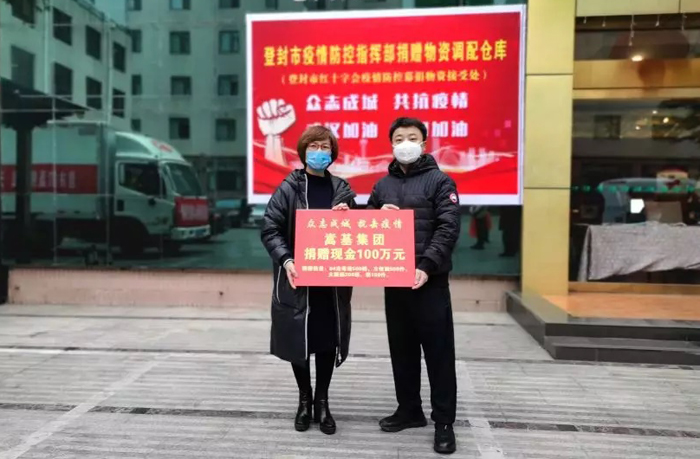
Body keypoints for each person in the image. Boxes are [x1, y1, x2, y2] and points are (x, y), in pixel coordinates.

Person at [367, 117, 461, 455]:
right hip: (394, 280)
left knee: (438, 354)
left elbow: (448, 227)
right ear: (391, 144)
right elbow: (366, 228)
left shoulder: (440, 181)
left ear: (423, 142)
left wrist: (426, 266)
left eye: (411, 137)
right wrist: (377, 215)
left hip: (429, 282)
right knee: (402, 350)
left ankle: (444, 422)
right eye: (398, 138)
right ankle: (409, 409)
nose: (405, 143)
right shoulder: (382, 186)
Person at [260, 125, 356, 435]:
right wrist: (287, 260)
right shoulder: (288, 188)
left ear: (332, 152)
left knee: (327, 340)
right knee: (298, 340)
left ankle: (322, 402)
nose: (319, 152)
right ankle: (304, 399)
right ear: (303, 151)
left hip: (331, 285)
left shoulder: (342, 189)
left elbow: (358, 234)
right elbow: (270, 229)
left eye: (325, 146)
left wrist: (350, 215)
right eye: (313, 146)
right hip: (298, 281)